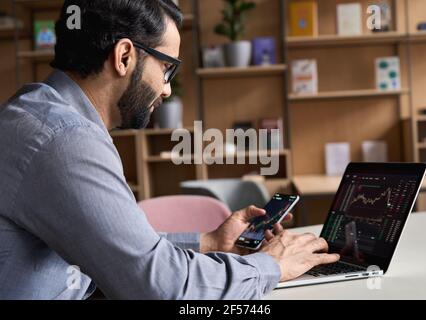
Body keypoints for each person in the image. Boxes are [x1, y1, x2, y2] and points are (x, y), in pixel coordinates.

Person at [0, 0, 339, 300]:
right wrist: (272, 265)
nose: (166, 90)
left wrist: (210, 241)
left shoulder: (37, 114)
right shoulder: (65, 139)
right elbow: (163, 288)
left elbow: (118, 249)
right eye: (166, 68)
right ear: (124, 56)